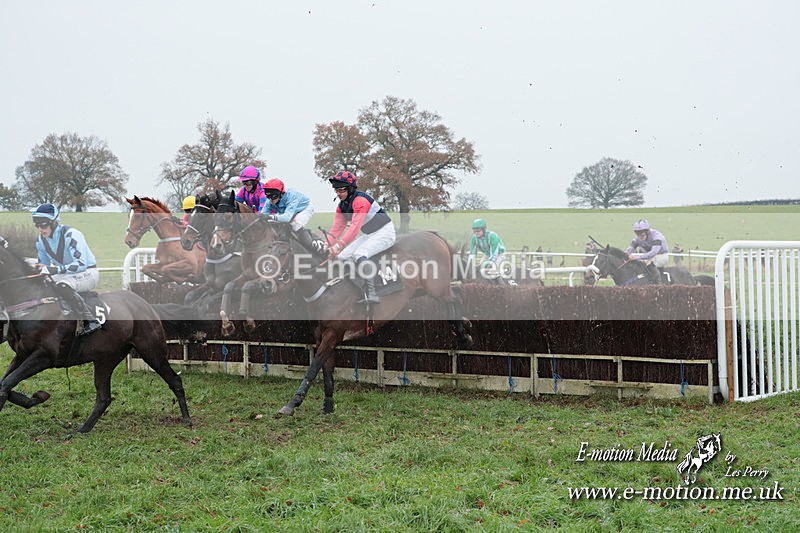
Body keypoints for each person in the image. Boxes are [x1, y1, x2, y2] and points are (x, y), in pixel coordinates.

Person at [324, 171, 396, 304]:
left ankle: (372, 293)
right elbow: (336, 229)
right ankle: (354, 289)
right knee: (342, 257)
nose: (338, 193)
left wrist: (338, 246)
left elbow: (355, 228)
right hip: (370, 234)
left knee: (359, 253)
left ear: (350, 189)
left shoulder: (360, 201)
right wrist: (325, 246)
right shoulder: (342, 206)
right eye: (336, 191)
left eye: (341, 190)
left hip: (385, 232)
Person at [32, 203, 102, 335]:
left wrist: (54, 270)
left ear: (54, 223)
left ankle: (90, 320)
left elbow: (80, 264)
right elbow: (43, 266)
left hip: (87, 272)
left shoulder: (72, 234)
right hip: (67, 274)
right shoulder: (40, 240)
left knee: (63, 285)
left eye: (43, 225)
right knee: (43, 284)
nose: (40, 229)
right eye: (37, 226)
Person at [260, 178, 327, 263]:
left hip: (304, 209)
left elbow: (287, 217)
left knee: (295, 225)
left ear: (281, 193)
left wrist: (271, 217)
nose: (271, 200)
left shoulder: (291, 196)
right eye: (268, 196)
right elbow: (263, 215)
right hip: (290, 212)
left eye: (274, 197)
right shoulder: (269, 200)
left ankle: (315, 247)